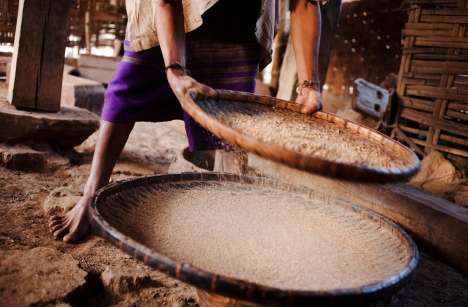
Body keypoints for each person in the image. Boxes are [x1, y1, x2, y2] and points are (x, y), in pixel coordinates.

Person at [49, 0, 323, 243]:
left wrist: (309, 83)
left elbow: (306, 3)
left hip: (240, 20)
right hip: (167, 16)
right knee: (129, 88)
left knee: (230, 119)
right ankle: (91, 195)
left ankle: (234, 205)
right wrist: (175, 69)